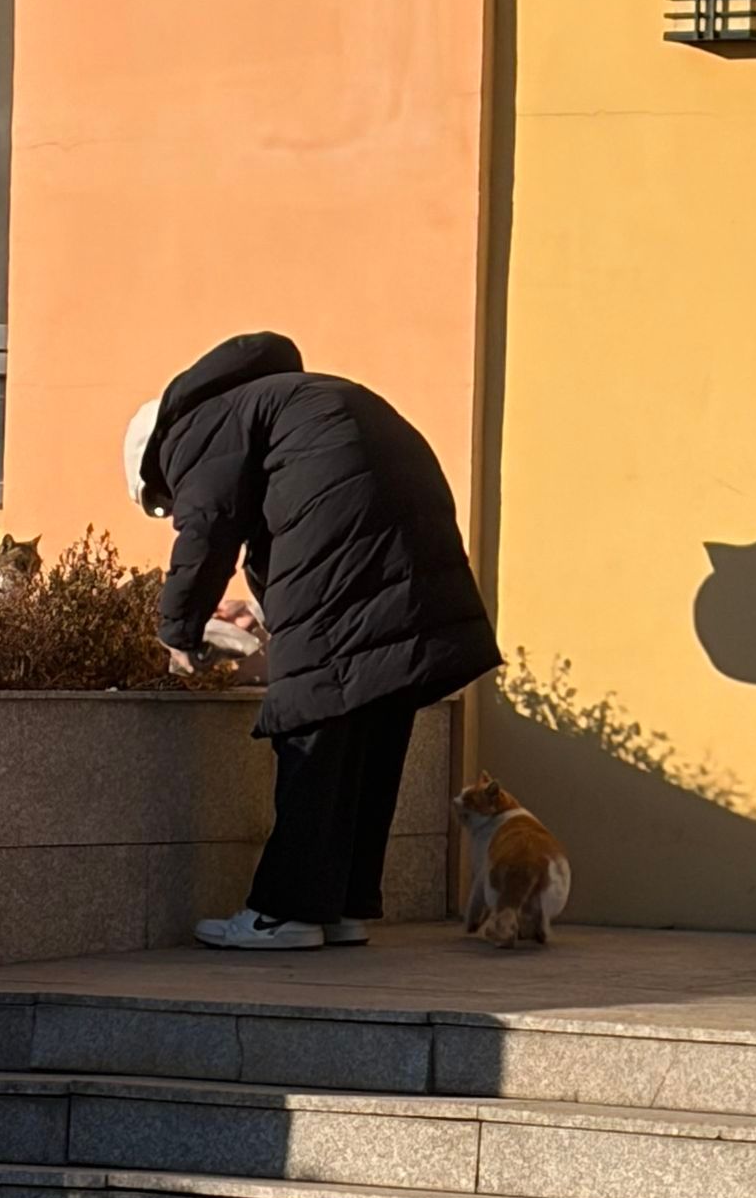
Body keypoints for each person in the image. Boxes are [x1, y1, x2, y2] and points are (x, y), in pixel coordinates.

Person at [124, 332, 501, 950]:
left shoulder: (193, 428)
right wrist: (267, 615)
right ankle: (343, 906)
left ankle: (285, 912)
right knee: (376, 712)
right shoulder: (281, 402)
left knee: (314, 716)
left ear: (153, 460)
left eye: (163, 500)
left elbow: (208, 530)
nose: (173, 507)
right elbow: (294, 519)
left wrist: (178, 633)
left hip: (353, 538)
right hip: (406, 532)